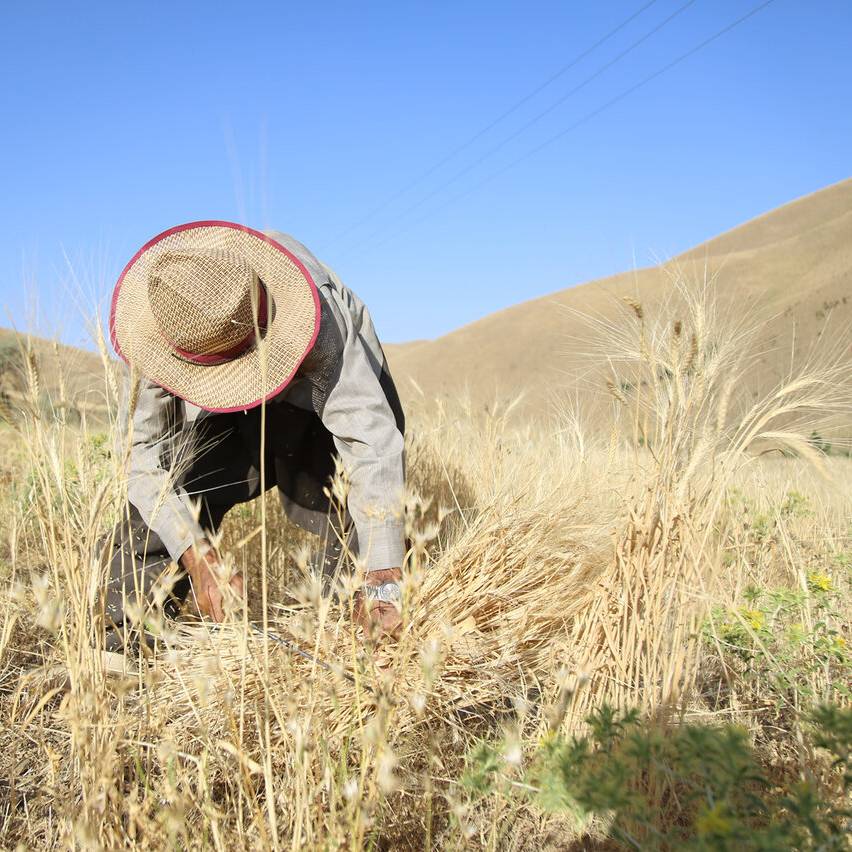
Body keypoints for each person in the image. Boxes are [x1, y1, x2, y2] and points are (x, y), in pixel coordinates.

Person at [103, 221, 405, 650]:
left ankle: (351, 643)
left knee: (358, 522)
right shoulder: (163, 322)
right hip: (218, 419)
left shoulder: (318, 319)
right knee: (160, 498)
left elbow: (369, 441)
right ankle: (123, 638)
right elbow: (141, 457)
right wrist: (197, 554)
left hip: (322, 407)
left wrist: (383, 581)